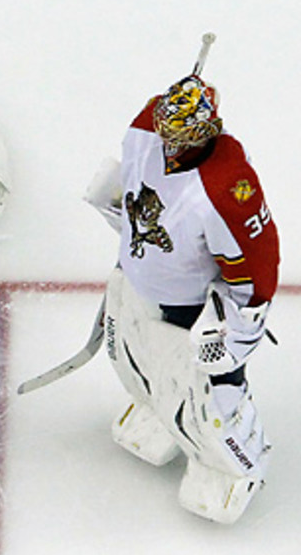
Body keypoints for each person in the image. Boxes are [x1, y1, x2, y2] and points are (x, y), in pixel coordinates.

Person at [84, 62, 279, 523]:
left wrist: (240, 327)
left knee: (208, 393)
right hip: (140, 283)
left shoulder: (229, 186)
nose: (170, 142)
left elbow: (258, 261)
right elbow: (137, 186)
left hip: (189, 307)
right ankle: (158, 413)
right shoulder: (145, 127)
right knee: (136, 361)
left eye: (182, 135)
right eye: (167, 130)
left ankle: (235, 467)